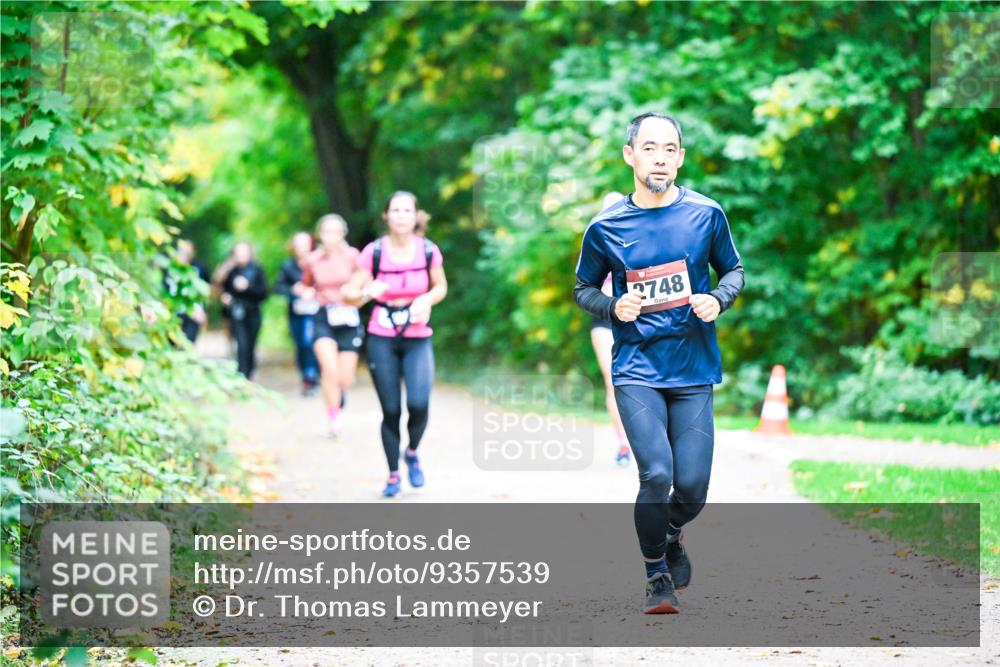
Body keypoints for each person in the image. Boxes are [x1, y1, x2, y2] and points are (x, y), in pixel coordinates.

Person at [573, 112, 744, 614]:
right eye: (650, 148)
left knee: (691, 489)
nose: (660, 158)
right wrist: (612, 306)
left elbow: (732, 270)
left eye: (670, 149)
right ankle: (656, 576)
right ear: (630, 155)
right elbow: (583, 288)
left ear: (681, 157)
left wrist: (718, 299)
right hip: (637, 368)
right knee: (656, 473)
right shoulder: (606, 226)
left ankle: (671, 532)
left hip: (692, 368)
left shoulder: (706, 214)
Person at [342, 191, 448, 498]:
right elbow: (348, 292)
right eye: (396, 210)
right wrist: (366, 292)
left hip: (416, 336)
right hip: (382, 336)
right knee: (391, 410)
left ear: (416, 216)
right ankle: (392, 474)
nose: (402, 215)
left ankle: (412, 451)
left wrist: (426, 298)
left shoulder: (428, 250)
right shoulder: (373, 252)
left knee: (418, 404)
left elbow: (440, 285)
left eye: (407, 210)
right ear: (386, 216)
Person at [298, 215, 363, 436]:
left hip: (348, 317)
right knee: (329, 369)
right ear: (320, 235)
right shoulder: (312, 260)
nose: (330, 237)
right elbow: (304, 284)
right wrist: (305, 292)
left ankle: (339, 394)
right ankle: (334, 418)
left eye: (335, 232)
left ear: (342, 234)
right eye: (326, 232)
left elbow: (365, 280)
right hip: (323, 316)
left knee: (345, 378)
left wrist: (356, 293)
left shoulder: (353, 257)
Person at [590, 192, 633, 466]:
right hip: (603, 318)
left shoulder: (640, 239)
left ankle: (646, 438)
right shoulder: (595, 243)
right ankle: (623, 444)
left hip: (636, 317)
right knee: (613, 379)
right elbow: (585, 286)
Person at [275, 231, 321, 396]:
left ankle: (314, 375)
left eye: (304, 243)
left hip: (318, 310)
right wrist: (295, 291)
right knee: (301, 344)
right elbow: (278, 287)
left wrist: (314, 291)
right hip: (297, 312)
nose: (301, 248)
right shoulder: (288, 265)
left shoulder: (319, 261)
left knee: (314, 343)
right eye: (298, 244)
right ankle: (306, 377)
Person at [220, 241, 269, 379]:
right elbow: (220, 286)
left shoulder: (257, 269)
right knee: (241, 343)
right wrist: (226, 297)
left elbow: (264, 293)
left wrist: (247, 287)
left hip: (253, 312)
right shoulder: (230, 271)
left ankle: (250, 370)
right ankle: (242, 373)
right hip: (236, 312)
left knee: (251, 343)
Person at [167, 239, 208, 343]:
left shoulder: (199, 269)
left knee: (189, 343)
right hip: (173, 312)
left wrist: (203, 311)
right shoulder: (169, 268)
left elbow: (205, 292)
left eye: (188, 252)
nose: (185, 254)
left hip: (193, 312)